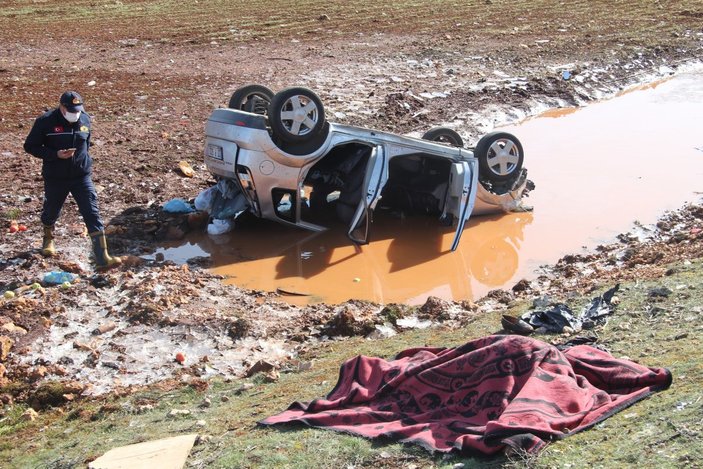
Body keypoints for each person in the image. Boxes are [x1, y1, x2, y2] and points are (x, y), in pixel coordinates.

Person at [23, 91, 121, 269]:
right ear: (61, 107)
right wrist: (55, 155)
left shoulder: (84, 119)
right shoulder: (45, 122)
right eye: (71, 110)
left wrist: (84, 161)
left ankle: (102, 257)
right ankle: (48, 239)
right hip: (56, 177)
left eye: (77, 110)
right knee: (51, 210)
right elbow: (30, 146)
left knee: (92, 212)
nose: (75, 114)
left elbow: (86, 143)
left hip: (81, 176)